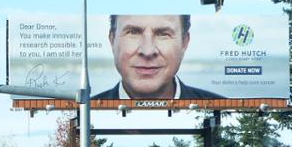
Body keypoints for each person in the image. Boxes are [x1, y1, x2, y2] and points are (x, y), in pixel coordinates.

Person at [91, 14, 223, 100]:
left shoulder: (222, 104)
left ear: (184, 42)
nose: (148, 51)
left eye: (163, 34)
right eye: (133, 32)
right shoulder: (85, 111)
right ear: (112, 39)